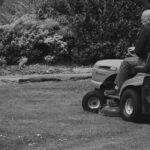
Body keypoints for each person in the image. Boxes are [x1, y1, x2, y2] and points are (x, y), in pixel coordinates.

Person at [105, 10, 150, 96]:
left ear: (148, 19)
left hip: (147, 62)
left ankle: (117, 88)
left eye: (143, 20)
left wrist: (136, 51)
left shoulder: (147, 29)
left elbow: (139, 51)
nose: (142, 23)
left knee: (126, 62)